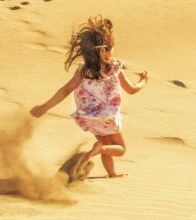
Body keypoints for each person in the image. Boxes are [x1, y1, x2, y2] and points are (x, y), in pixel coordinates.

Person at [30, 16, 148, 178]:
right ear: (105, 50)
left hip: (88, 116)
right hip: (107, 117)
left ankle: (111, 172)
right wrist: (143, 81)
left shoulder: (83, 70)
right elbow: (132, 90)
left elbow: (65, 90)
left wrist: (44, 107)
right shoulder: (114, 68)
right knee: (120, 149)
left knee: (105, 142)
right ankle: (96, 151)